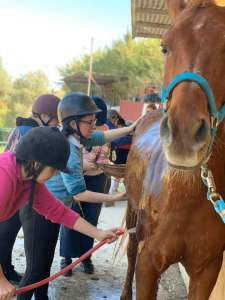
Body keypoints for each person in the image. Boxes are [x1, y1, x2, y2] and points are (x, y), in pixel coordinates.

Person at [0, 127, 118, 300]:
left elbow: (60, 212)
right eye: (54, 169)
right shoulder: (5, 176)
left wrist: (99, 234)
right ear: (36, 162)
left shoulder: (30, 182)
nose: (56, 174)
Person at [56, 92, 138, 276]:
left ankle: (85, 257)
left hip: (70, 196)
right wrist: (115, 196)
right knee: (39, 264)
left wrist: (129, 128)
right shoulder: (70, 149)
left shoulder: (78, 137)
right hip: (50, 210)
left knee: (88, 220)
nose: (94, 125)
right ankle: (66, 259)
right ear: (72, 123)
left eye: (95, 120)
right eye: (90, 121)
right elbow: (79, 194)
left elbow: (104, 136)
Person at [0, 94, 60, 285]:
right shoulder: (32, 134)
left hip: (14, 192)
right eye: (55, 119)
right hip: (11, 193)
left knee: (6, 234)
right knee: (5, 234)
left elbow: (59, 211)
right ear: (44, 115)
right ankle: (5, 271)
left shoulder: (22, 127)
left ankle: (6, 268)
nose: (57, 125)